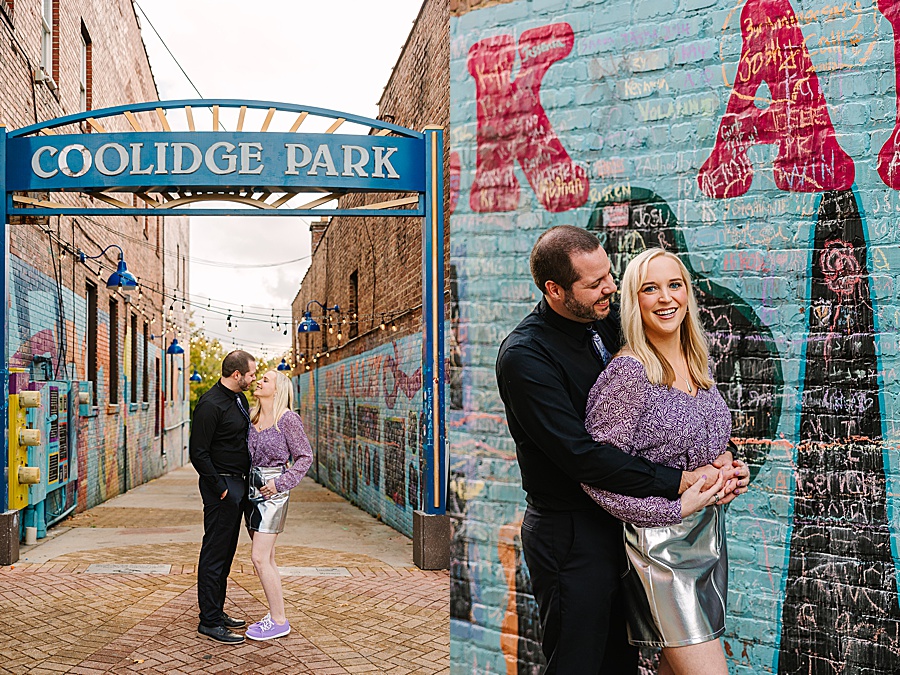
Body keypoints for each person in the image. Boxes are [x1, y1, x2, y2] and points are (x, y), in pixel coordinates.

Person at [495, 226, 748, 674]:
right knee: (579, 663)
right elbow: (581, 456)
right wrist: (676, 486)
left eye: (610, 275)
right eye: (595, 283)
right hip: (571, 535)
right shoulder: (526, 356)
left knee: (624, 665)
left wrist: (720, 457)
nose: (611, 287)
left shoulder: (609, 322)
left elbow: (666, 412)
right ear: (555, 290)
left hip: (631, 524)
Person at [581, 248, 740, 674]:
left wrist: (729, 469)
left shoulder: (697, 363)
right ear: (635, 299)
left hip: (707, 540)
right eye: (650, 288)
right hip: (659, 551)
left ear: (687, 293)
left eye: (674, 285)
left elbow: (707, 449)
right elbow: (596, 475)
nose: (665, 298)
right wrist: (672, 507)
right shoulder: (629, 373)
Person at [189, 350, 257, 645]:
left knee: (227, 553)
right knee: (215, 554)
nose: (254, 379)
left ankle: (217, 611)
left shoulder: (239, 400)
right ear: (236, 374)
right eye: (251, 374)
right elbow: (198, 453)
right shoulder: (210, 404)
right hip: (222, 490)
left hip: (238, 485)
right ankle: (210, 621)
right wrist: (222, 489)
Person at [243, 369, 313, 641]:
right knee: (267, 557)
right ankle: (275, 615)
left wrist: (281, 484)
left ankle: (279, 621)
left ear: (279, 388)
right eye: (259, 379)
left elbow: (305, 457)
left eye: (265, 380)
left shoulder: (287, 419)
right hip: (250, 489)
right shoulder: (252, 416)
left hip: (273, 492)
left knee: (258, 557)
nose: (259, 382)